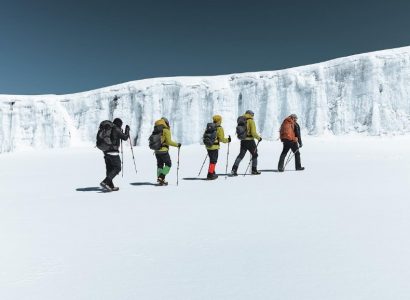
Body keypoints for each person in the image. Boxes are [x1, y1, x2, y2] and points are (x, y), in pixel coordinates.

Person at [100, 118, 130, 191]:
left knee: (109, 169)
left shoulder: (109, 129)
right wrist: (127, 130)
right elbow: (125, 137)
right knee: (117, 168)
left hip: (106, 151)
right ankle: (105, 182)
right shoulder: (116, 129)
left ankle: (110, 186)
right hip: (113, 152)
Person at [231, 110, 262, 176]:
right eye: (252, 114)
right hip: (250, 141)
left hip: (243, 140)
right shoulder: (251, 121)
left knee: (241, 155)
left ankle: (234, 169)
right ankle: (254, 170)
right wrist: (259, 138)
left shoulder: (241, 120)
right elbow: (253, 133)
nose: (253, 116)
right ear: (250, 114)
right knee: (255, 154)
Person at [154, 117, 181, 185]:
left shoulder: (156, 129)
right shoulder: (166, 130)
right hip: (164, 151)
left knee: (160, 165)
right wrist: (177, 145)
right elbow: (169, 142)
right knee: (168, 164)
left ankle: (160, 179)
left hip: (156, 151)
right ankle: (161, 177)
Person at [205, 115, 231, 180]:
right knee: (213, 161)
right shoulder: (219, 128)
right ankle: (210, 174)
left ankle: (212, 172)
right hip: (215, 147)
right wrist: (228, 140)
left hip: (208, 146)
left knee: (211, 160)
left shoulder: (209, 127)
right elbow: (222, 139)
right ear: (219, 120)